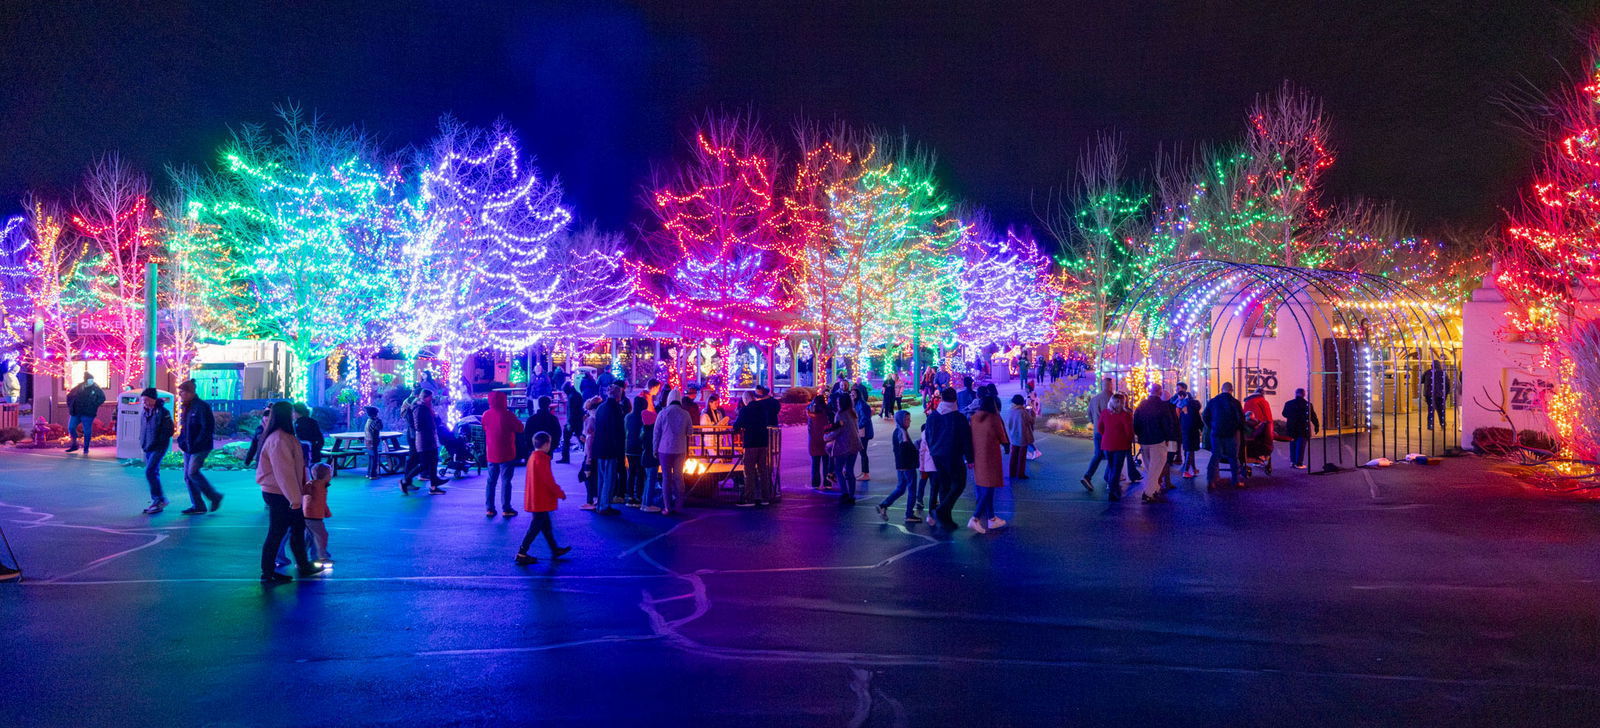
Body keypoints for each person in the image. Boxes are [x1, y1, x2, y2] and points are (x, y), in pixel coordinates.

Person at [257, 401, 320, 583]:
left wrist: (302, 487)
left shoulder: (283, 437)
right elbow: (284, 472)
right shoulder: (280, 439)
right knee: (278, 532)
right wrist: (295, 499)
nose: (294, 415)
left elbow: (292, 469)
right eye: (291, 412)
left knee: (295, 529)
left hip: (282, 491)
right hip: (280, 493)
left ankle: (301, 564)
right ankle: (268, 572)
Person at [515, 432, 572, 565]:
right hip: (541, 500)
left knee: (545, 526)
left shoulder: (533, 457)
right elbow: (549, 480)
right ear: (546, 444)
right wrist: (560, 493)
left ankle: (554, 549)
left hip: (536, 499)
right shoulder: (542, 459)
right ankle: (522, 552)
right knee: (535, 527)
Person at [925, 387, 975, 529]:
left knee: (944, 485)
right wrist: (970, 458)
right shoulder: (958, 418)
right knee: (959, 484)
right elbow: (966, 439)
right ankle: (942, 510)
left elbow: (928, 436)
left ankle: (946, 519)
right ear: (955, 400)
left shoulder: (933, 416)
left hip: (936, 455)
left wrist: (933, 449)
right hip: (953, 455)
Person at [1081, 377, 1138, 492]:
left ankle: (1088, 476)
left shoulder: (1094, 399)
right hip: (1109, 434)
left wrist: (1096, 425)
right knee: (1113, 458)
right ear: (1110, 385)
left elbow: (1089, 416)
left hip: (1098, 432)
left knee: (1099, 455)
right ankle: (1110, 482)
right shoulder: (1112, 399)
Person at [175, 379, 223, 515]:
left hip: (200, 447)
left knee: (192, 473)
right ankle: (198, 505)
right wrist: (181, 441)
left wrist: (197, 443)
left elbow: (206, 428)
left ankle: (214, 497)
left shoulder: (201, 407)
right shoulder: (186, 407)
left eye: (182, 392)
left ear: (190, 392)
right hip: (188, 446)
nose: (180, 395)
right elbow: (184, 428)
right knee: (187, 476)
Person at [968, 394, 1010, 532]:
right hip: (991, 455)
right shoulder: (994, 418)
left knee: (983, 486)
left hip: (977, 455)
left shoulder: (974, 418)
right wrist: (1006, 445)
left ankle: (991, 518)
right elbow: (1001, 435)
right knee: (989, 487)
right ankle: (975, 518)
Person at [1133, 385, 1179, 502]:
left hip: (1144, 440)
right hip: (1158, 440)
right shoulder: (1163, 406)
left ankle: (1155, 489)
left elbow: (1136, 422)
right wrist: (1168, 437)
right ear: (1159, 392)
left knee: (1149, 467)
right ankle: (1149, 492)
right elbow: (1167, 424)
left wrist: (1140, 435)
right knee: (1156, 467)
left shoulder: (1141, 405)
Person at [734, 386, 778, 507]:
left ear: (745, 400)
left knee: (749, 471)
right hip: (763, 442)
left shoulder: (745, 410)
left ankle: (749, 498)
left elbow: (737, 425)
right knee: (763, 470)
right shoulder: (763, 408)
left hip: (751, 443)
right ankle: (765, 497)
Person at [482, 391, 524, 517]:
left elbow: (484, 427)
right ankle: (506, 508)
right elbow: (520, 428)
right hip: (507, 452)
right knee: (506, 481)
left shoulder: (486, 414)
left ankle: (489, 508)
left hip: (492, 453)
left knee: (491, 481)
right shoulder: (508, 415)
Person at [875, 410, 921, 523]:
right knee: (911, 490)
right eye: (906, 419)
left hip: (901, 465)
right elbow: (904, 448)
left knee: (901, 488)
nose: (909, 421)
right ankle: (909, 514)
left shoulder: (900, 431)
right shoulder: (901, 432)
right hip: (907, 465)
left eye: (909, 419)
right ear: (900, 420)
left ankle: (883, 505)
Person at [592, 382, 630, 516]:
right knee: (609, 478)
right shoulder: (616, 409)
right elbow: (618, 432)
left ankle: (600, 503)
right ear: (618, 395)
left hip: (600, 446)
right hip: (610, 448)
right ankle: (605, 505)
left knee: (601, 478)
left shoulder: (601, 407)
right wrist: (620, 452)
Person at [402, 389, 447, 494]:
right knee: (425, 464)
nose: (431, 400)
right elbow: (418, 425)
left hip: (430, 438)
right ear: (424, 397)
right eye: (429, 398)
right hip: (424, 439)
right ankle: (406, 480)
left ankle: (434, 486)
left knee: (433, 461)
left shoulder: (426, 407)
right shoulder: (419, 408)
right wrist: (430, 426)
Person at [653, 394, 692, 515]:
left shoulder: (663, 413)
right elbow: (690, 432)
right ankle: (679, 505)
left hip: (664, 449)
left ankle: (667, 507)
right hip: (680, 449)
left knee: (666, 478)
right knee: (679, 477)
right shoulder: (686, 414)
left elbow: (656, 433)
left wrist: (654, 449)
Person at [1203, 382, 1247, 489]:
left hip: (1216, 432)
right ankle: (1235, 481)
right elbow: (1241, 419)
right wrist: (1238, 429)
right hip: (1231, 433)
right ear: (1231, 390)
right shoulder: (1235, 402)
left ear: (1221, 389)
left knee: (1215, 456)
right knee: (1233, 457)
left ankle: (1210, 480)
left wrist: (1212, 425)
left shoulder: (1213, 401)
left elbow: (1205, 415)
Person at [138, 388, 174, 514]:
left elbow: (169, 430)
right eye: (143, 400)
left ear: (153, 399)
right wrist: (143, 443)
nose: (145, 402)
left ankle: (159, 499)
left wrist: (159, 441)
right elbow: (144, 429)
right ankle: (158, 500)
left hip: (158, 446)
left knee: (150, 471)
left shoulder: (162, 412)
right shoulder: (145, 412)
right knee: (153, 472)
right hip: (148, 446)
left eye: (147, 400)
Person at [825, 389, 863, 505]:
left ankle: (844, 493)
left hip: (843, 445)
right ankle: (851, 495)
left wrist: (826, 437)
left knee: (838, 469)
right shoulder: (853, 413)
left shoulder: (840, 414)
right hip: (855, 444)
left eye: (838, 402)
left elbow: (838, 431)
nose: (837, 404)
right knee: (850, 470)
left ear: (841, 403)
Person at [1099, 393, 1135, 500]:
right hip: (1120, 445)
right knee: (1116, 468)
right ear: (1122, 402)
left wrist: (1106, 435)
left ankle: (1113, 488)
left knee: (1111, 466)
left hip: (1107, 444)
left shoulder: (1105, 412)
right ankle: (1113, 491)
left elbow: (1100, 427)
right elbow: (1129, 432)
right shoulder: (1125, 415)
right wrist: (1129, 441)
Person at [64, 372, 105, 453]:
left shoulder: (96, 388)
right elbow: (69, 396)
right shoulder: (79, 387)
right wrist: (70, 405)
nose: (91, 381)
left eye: (92, 379)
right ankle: (74, 444)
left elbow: (102, 398)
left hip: (88, 412)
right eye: (90, 380)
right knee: (71, 427)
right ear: (86, 380)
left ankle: (86, 448)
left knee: (87, 430)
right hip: (76, 412)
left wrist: (94, 405)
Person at [303, 462, 334, 566]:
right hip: (312, 516)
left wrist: (326, 512)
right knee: (322, 535)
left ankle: (301, 558)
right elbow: (306, 492)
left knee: (309, 538)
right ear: (325, 476)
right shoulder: (315, 485)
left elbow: (321, 502)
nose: (331, 476)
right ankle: (322, 557)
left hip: (311, 516)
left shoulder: (322, 486)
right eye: (330, 474)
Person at [1282, 388, 1320, 469]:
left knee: (1292, 445)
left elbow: (1284, 414)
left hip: (1292, 427)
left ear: (1295, 393)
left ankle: (1292, 462)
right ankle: (1299, 463)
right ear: (1304, 394)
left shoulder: (1288, 403)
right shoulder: (1308, 404)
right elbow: (1313, 416)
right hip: (1303, 427)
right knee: (1301, 446)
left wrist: (1292, 417)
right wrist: (1317, 426)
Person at [1003, 393, 1036, 480]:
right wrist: (1032, 412)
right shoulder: (1023, 412)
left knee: (1013, 455)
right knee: (1022, 457)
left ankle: (1012, 472)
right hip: (1023, 437)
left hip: (1013, 436)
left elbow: (1008, 423)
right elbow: (1031, 421)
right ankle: (1020, 474)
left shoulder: (1010, 411)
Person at [1175, 387, 1204, 478]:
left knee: (1189, 450)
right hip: (1192, 432)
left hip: (1186, 431)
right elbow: (1198, 421)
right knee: (1190, 451)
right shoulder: (1193, 409)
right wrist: (1202, 429)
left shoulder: (1184, 408)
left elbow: (1180, 421)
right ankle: (1186, 471)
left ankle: (1193, 469)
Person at [624, 394, 646, 506]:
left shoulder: (628, 417)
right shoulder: (643, 418)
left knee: (631, 473)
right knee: (640, 473)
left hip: (629, 448)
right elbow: (644, 433)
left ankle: (630, 496)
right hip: (640, 448)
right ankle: (638, 496)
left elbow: (625, 431)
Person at [807, 394, 833, 490]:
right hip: (826, 440)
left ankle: (815, 483)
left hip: (814, 441)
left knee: (815, 463)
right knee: (826, 463)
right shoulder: (827, 413)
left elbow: (810, 428)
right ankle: (827, 483)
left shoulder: (811, 415)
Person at [1420, 359, 1451, 430]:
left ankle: (1430, 425)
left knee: (1431, 410)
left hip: (1430, 394)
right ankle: (1442, 424)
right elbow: (1447, 384)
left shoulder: (1428, 372)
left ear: (1432, 366)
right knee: (1441, 410)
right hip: (1440, 395)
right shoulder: (1443, 373)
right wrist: (1447, 393)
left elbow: (1421, 380)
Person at [559, 379, 584, 463]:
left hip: (572, 421)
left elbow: (571, 411)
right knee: (580, 438)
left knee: (566, 439)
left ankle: (565, 458)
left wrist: (569, 423)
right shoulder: (577, 394)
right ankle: (589, 455)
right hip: (578, 420)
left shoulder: (571, 397)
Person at [854, 383, 875, 481]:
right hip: (862, 431)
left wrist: (857, 427)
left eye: (853, 395)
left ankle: (866, 473)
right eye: (851, 395)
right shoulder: (858, 403)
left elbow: (865, 418)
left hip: (863, 432)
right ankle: (864, 472)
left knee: (863, 452)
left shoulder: (861, 404)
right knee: (862, 452)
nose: (851, 396)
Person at [915, 424, 937, 520]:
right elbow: (921, 453)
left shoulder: (918, 441)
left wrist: (921, 467)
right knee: (934, 485)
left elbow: (920, 454)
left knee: (923, 483)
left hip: (924, 466)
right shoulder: (922, 441)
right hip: (930, 466)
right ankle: (928, 501)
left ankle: (920, 500)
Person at [362, 406, 384, 479]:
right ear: (375, 414)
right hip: (372, 442)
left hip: (367, 441)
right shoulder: (375, 421)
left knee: (371, 458)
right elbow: (380, 428)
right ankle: (373, 474)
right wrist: (379, 421)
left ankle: (369, 473)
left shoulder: (368, 420)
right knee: (374, 458)